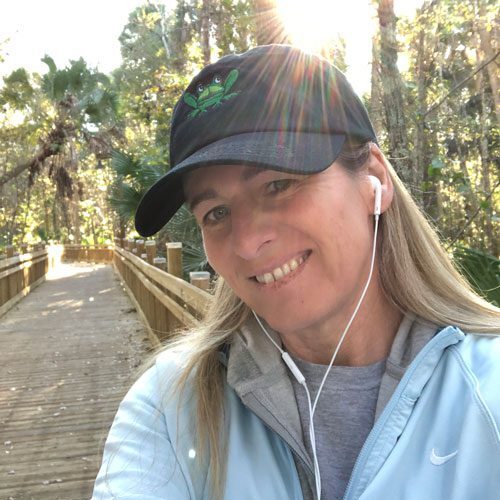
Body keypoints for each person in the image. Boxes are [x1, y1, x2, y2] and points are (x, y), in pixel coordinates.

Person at [92, 45, 500, 500]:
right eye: (216, 212)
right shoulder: (172, 407)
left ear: (376, 181)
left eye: (278, 184)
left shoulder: (488, 388)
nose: (247, 243)